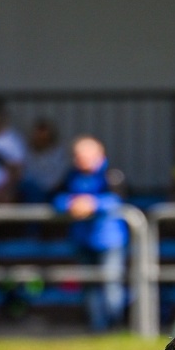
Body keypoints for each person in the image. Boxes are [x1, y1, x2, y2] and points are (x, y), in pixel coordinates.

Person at [54, 136, 128, 332]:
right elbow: (56, 198)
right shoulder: (70, 175)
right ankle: (97, 330)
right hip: (82, 240)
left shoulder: (112, 175)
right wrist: (70, 204)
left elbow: (118, 200)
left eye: (85, 155)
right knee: (89, 287)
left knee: (111, 285)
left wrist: (93, 204)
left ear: (99, 155)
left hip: (109, 241)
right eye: (77, 156)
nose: (81, 159)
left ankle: (115, 326)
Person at [19, 119, 70, 203]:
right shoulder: (26, 152)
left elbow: (60, 178)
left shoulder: (60, 154)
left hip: (53, 191)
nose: (41, 139)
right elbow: (25, 174)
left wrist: (45, 187)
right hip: (31, 191)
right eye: (38, 136)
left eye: (44, 137)